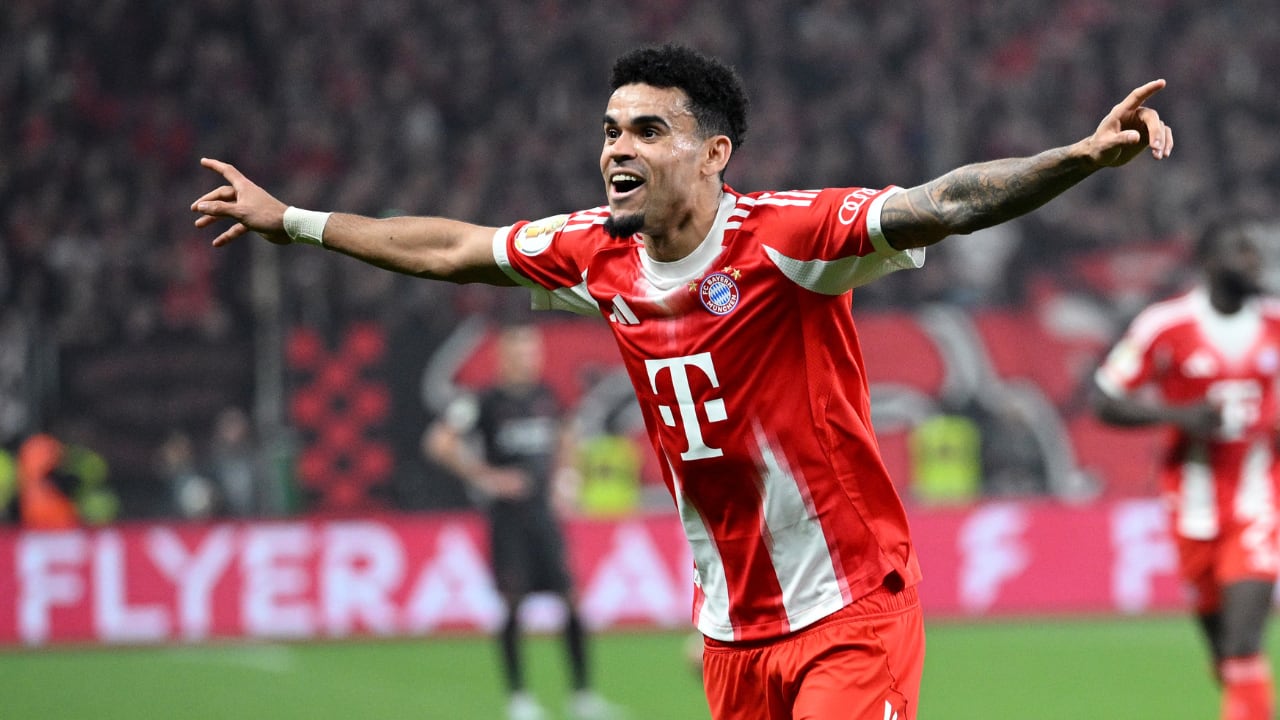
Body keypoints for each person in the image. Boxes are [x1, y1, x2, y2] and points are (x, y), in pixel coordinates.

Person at [191, 43, 1172, 720]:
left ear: (711, 155)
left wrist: (1081, 157)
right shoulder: (590, 254)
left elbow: (944, 203)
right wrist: (295, 222)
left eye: (648, 131)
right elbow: (451, 248)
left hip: (849, 608)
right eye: (611, 129)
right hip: (729, 628)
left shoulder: (787, 238)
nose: (618, 146)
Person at [1092, 218, 1278, 720]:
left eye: (1257, 250)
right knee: (1225, 655)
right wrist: (1178, 415)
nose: (1255, 259)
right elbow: (1104, 399)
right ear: (1210, 261)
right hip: (1191, 505)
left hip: (1260, 501)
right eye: (1242, 250)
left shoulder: (1275, 324)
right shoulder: (1164, 325)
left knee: (1243, 643)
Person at [423, 321, 619, 720]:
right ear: (504, 356)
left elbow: (567, 437)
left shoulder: (547, 396)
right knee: (512, 603)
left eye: (532, 351)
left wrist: (567, 478)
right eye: (520, 351)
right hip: (508, 519)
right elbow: (438, 442)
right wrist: (486, 477)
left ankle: (582, 696)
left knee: (571, 598)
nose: (528, 358)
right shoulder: (483, 401)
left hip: (544, 515)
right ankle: (519, 698)